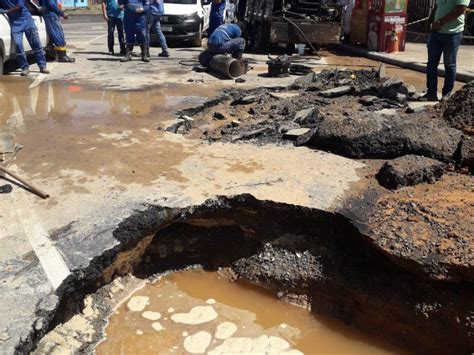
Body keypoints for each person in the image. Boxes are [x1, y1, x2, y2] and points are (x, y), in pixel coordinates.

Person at [424, 0, 469, 101]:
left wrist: (440, 22)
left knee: (449, 64)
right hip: (436, 33)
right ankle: (431, 93)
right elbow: (436, 7)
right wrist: (430, 23)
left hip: (453, 34)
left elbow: (460, 9)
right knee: (431, 63)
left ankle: (446, 94)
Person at [0, 0, 49, 75]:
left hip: (26, 19)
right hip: (15, 23)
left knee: (35, 43)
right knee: (18, 44)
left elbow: (20, 6)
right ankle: (25, 68)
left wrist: (6, 11)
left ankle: (42, 66)